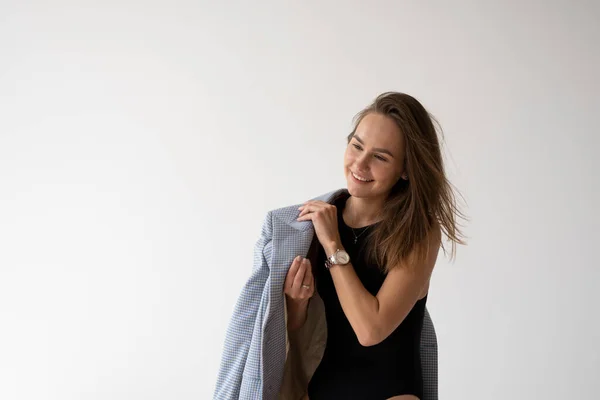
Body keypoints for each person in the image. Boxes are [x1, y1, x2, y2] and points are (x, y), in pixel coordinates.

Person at [283, 92, 466, 400]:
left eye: (380, 157)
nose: (360, 163)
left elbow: (371, 330)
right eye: (356, 145)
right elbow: (302, 335)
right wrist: (295, 303)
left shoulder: (418, 232)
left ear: (406, 170)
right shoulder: (314, 223)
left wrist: (332, 244)